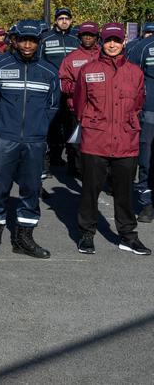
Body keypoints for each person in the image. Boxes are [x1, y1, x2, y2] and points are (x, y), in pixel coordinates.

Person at [0, 20, 60, 260]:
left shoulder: (49, 72)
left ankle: (24, 239)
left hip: (35, 141)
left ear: (38, 43)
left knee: (31, 189)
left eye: (33, 41)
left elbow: (53, 106)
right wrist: (2, 127)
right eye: (24, 40)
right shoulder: (1, 67)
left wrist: (40, 127)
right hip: (6, 139)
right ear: (15, 41)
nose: (28, 45)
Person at [73, 23, 149, 256]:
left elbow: (137, 104)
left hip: (126, 141)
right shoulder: (88, 70)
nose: (112, 44)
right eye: (108, 40)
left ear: (123, 41)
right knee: (90, 191)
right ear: (101, 42)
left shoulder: (136, 72)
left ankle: (128, 236)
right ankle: (86, 234)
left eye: (116, 40)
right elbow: (79, 105)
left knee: (124, 192)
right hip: (96, 140)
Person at [57, 22, 101, 178]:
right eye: (85, 35)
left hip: (101, 109)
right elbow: (62, 83)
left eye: (91, 35)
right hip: (77, 109)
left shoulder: (104, 55)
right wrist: (80, 87)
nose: (88, 37)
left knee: (100, 143)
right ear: (80, 37)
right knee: (77, 144)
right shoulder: (71, 58)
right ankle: (77, 171)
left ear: (97, 37)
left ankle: (100, 173)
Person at [41, 8, 79, 177]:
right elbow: (39, 64)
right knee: (51, 127)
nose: (64, 21)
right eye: (61, 18)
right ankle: (47, 163)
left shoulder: (76, 39)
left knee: (71, 128)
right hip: (53, 90)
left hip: (72, 92)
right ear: (55, 21)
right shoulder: (46, 38)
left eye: (67, 18)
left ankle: (73, 164)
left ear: (71, 21)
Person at [128, 27, 154, 222]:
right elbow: (131, 79)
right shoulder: (144, 47)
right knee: (146, 158)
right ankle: (146, 202)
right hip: (149, 113)